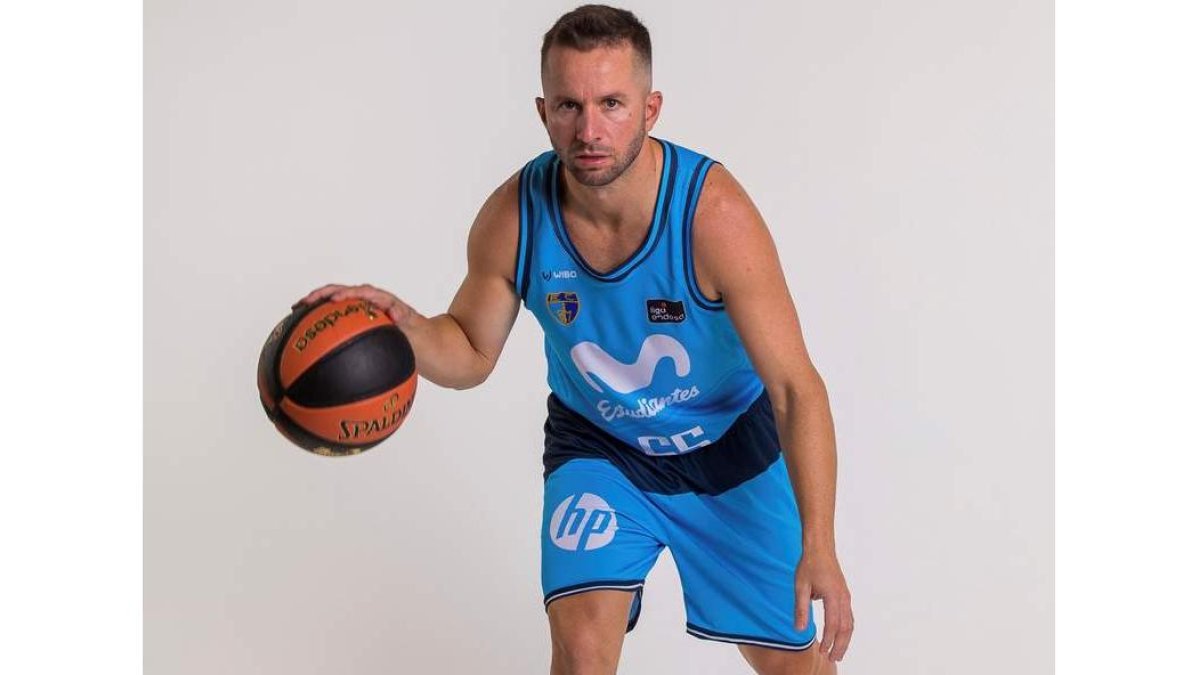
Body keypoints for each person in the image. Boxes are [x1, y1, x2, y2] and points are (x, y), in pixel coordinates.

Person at [299, 5, 854, 674]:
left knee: (794, 664)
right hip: (600, 447)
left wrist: (820, 543)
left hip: (728, 449)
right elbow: (470, 351)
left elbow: (795, 388)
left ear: (650, 109)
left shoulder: (714, 217)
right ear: (543, 111)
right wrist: (404, 327)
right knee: (582, 652)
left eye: (611, 104)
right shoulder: (515, 216)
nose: (589, 130)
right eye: (569, 105)